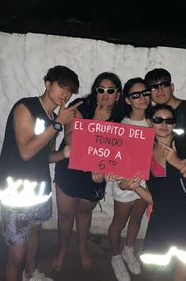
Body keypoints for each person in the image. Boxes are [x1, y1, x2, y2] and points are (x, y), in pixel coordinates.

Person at [0, 65, 81, 281]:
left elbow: (45, 155)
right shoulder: (25, 107)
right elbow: (26, 152)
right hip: (15, 191)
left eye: (70, 90)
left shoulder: (52, 117)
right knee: (16, 255)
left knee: (35, 232)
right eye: (61, 86)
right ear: (47, 84)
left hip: (39, 190)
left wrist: (64, 153)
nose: (66, 93)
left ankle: (31, 273)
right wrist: (58, 124)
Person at [123, 104, 186, 281]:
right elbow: (157, 200)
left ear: (174, 123)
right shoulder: (146, 151)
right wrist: (133, 186)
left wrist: (177, 162)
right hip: (166, 219)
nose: (164, 124)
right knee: (158, 269)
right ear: (149, 122)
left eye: (169, 120)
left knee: (183, 273)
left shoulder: (183, 142)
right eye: (158, 120)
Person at [53, 72, 123, 272]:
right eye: (100, 89)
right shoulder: (79, 106)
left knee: (84, 214)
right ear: (95, 91)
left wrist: (106, 168)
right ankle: (63, 250)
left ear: (118, 94)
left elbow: (121, 152)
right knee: (65, 215)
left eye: (111, 90)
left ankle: (83, 249)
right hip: (70, 168)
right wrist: (97, 120)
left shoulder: (121, 116)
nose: (105, 94)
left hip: (96, 173)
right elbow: (72, 141)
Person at [108, 78, 150, 281]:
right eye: (136, 95)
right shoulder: (121, 125)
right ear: (127, 100)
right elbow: (110, 159)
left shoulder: (155, 121)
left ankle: (128, 249)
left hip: (146, 183)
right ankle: (115, 256)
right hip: (124, 184)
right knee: (119, 223)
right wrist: (116, 177)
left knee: (136, 218)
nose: (142, 98)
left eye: (145, 93)